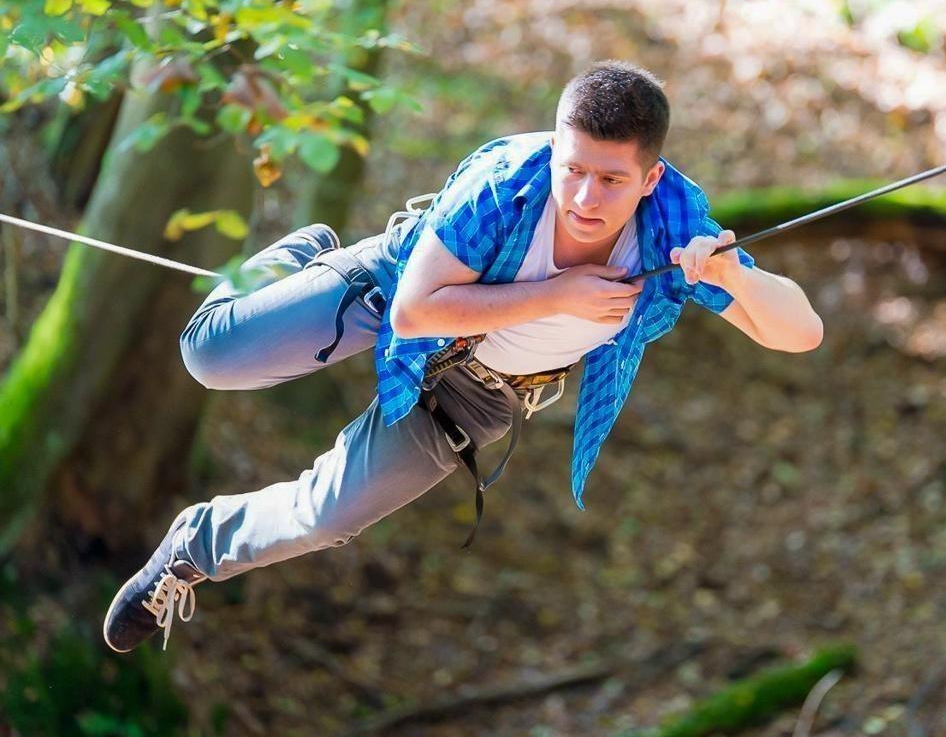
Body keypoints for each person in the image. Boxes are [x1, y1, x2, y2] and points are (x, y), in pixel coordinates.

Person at [102, 60, 824, 653]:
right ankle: (300, 259)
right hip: (397, 291)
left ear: (650, 178)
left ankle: (193, 547)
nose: (583, 197)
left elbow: (800, 333)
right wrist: (559, 295)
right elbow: (415, 311)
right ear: (554, 148)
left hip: (479, 396)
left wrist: (734, 277)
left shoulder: (675, 227)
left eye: (610, 180)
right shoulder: (503, 186)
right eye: (572, 168)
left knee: (327, 518)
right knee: (207, 356)